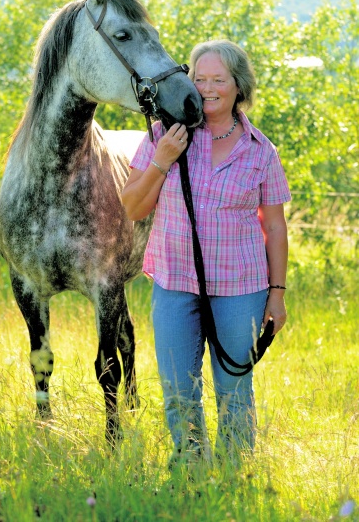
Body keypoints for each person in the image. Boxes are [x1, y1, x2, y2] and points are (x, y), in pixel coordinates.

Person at [121, 39, 291, 464]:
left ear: (239, 86)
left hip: (240, 288)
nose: (208, 88)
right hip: (175, 283)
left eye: (219, 79)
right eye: (200, 79)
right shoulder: (165, 135)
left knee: (234, 389)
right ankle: (192, 471)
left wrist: (277, 294)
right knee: (178, 388)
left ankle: (233, 475)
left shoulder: (261, 150)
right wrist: (162, 160)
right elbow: (133, 207)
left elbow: (274, 226)